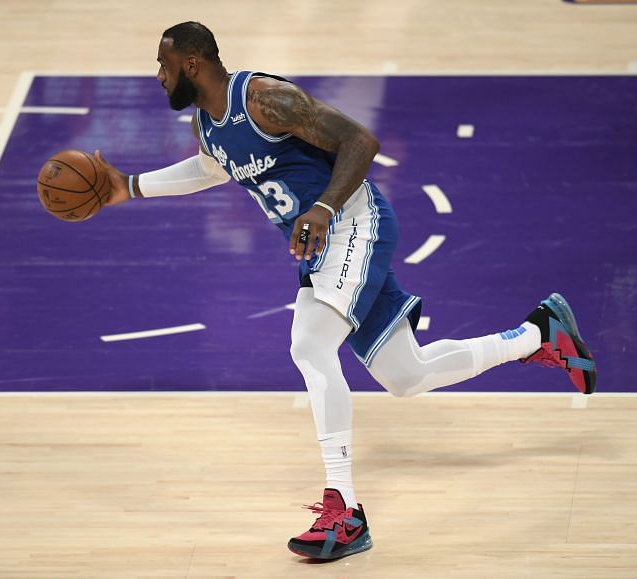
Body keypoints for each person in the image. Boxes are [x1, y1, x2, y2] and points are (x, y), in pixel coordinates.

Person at [93, 21, 597, 561]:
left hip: (354, 222)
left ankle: (346, 512)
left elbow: (361, 141)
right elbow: (212, 171)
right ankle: (538, 334)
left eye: (163, 65)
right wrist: (131, 186)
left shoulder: (266, 99)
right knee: (408, 375)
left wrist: (324, 206)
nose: (159, 76)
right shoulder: (208, 127)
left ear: (191, 65)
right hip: (324, 247)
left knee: (309, 345)